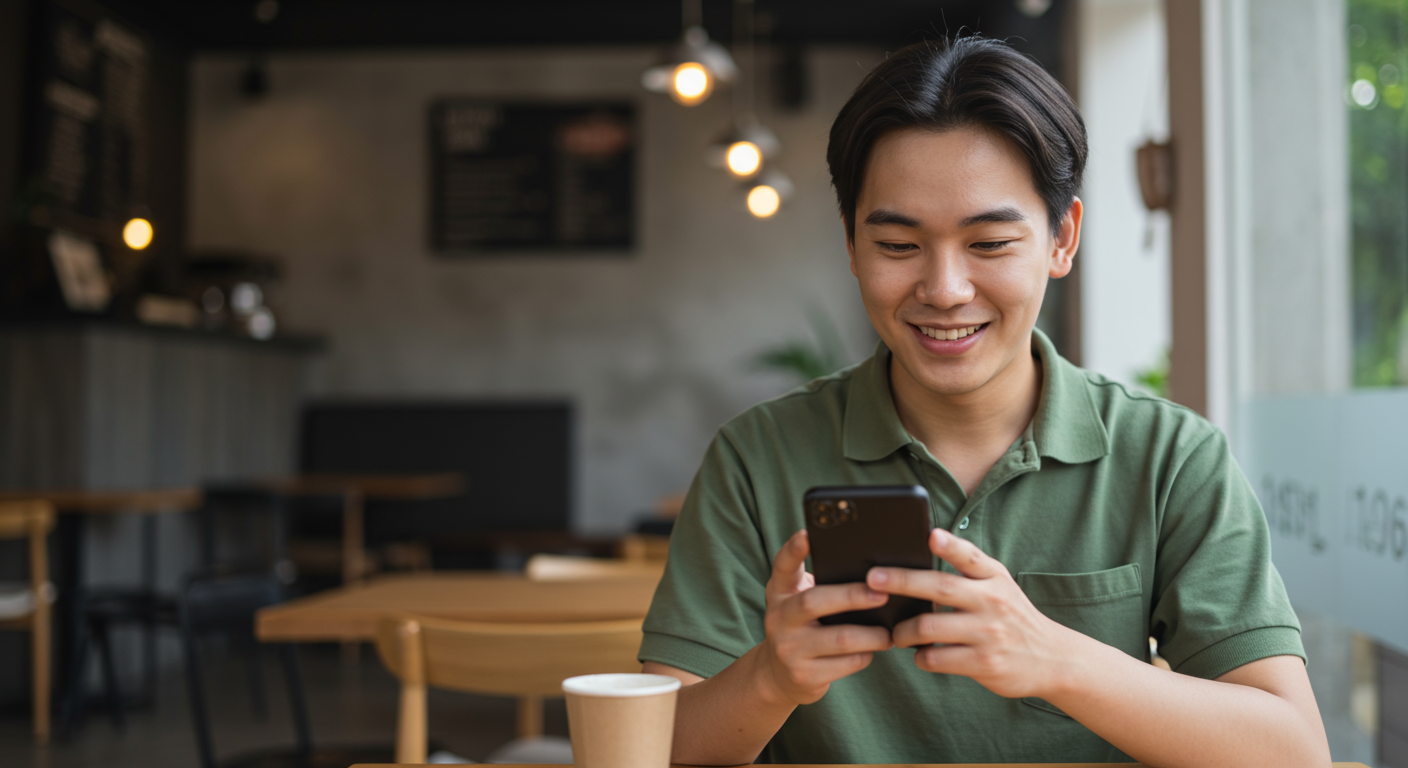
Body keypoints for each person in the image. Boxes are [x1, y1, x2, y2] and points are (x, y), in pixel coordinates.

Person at [638, 36, 1331, 767]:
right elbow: (655, 750)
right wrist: (772, 677)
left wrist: (1056, 658)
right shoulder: (757, 458)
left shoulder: (1170, 458)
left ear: (1062, 239)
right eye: (899, 246)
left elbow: (1293, 752)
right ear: (850, 244)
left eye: (991, 243)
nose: (944, 289)